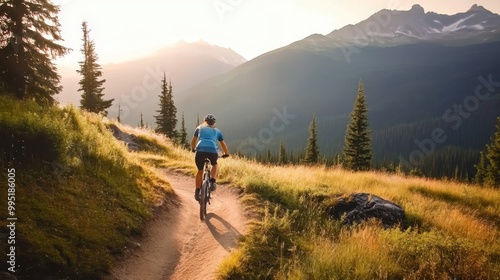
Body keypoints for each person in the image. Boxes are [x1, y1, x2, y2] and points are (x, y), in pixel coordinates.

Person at [191, 114, 229, 201]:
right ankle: (212, 181)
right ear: (214, 123)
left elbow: (193, 141)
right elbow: (223, 145)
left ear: (205, 122)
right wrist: (226, 153)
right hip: (212, 150)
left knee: (200, 171)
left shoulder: (199, 128)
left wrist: (193, 149)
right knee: (215, 164)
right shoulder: (217, 131)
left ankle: (197, 192)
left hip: (200, 150)